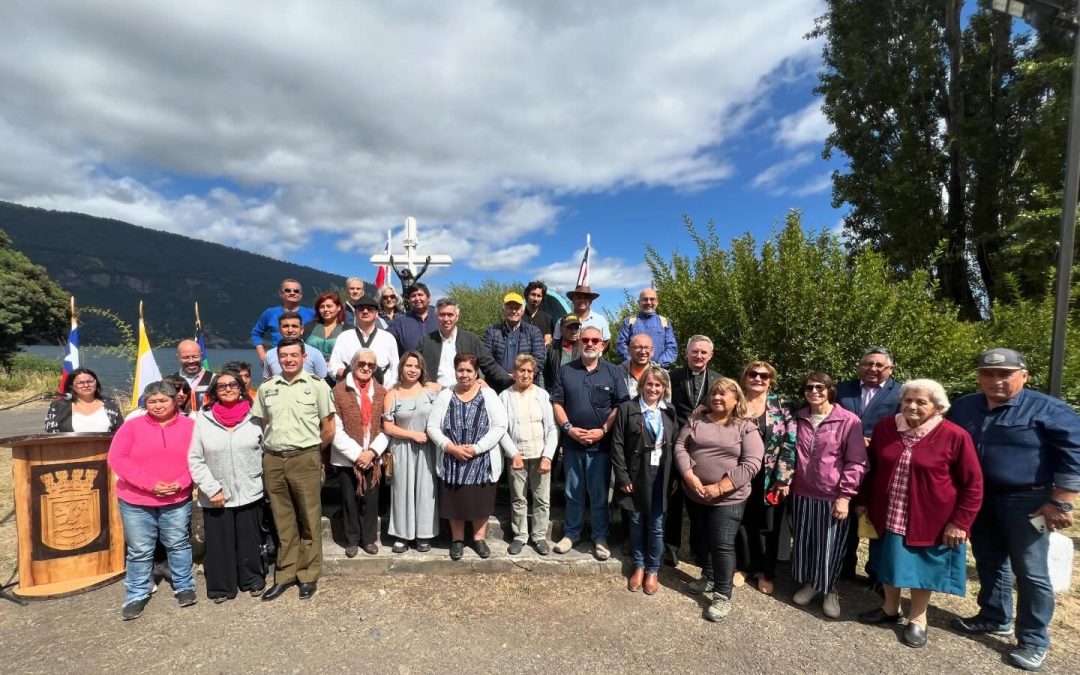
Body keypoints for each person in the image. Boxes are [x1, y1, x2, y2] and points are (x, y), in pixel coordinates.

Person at [947, 348, 1080, 671]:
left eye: (1004, 374)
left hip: (1028, 501)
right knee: (989, 560)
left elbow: (1073, 453)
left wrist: (1062, 500)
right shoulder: (965, 406)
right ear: (979, 376)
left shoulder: (1048, 409)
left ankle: (1034, 639)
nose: (996, 380)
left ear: (1024, 375)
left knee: (1031, 572)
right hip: (979, 498)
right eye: (988, 374)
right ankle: (994, 616)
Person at [855, 379, 983, 648]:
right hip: (888, 510)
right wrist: (863, 500)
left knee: (920, 567)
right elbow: (872, 468)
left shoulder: (954, 435)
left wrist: (960, 522)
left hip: (930, 516)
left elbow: (973, 484)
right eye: (908, 400)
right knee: (888, 559)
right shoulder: (886, 427)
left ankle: (918, 618)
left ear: (937, 407)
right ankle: (890, 609)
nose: (912, 406)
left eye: (920, 402)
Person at [251, 337, 335, 601]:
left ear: (304, 357)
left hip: (306, 458)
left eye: (293, 355)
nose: (288, 359)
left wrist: (310, 452)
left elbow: (329, 428)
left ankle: (308, 575)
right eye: (284, 355)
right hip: (274, 459)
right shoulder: (267, 388)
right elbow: (262, 423)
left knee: (309, 519)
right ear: (277, 358)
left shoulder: (318, 387)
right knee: (282, 519)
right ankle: (285, 575)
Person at [674, 378, 764, 621]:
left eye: (724, 394)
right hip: (696, 493)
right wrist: (689, 476)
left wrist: (721, 487)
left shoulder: (746, 426)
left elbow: (752, 462)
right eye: (714, 393)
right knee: (703, 537)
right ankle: (709, 576)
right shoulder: (697, 419)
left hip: (729, 497)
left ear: (736, 399)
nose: (717, 398)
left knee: (722, 543)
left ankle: (723, 595)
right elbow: (681, 446)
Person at [107, 381, 196, 621]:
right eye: (152, 401)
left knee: (178, 544)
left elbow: (198, 459)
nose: (158, 405)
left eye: (163, 400)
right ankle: (136, 594)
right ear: (145, 403)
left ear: (174, 401)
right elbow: (118, 458)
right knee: (139, 550)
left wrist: (182, 481)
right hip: (137, 500)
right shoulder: (132, 426)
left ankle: (184, 585)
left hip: (176, 497)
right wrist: (151, 484)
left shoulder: (190, 426)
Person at [789, 372, 867, 619]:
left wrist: (845, 496)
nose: (814, 392)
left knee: (831, 546)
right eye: (809, 387)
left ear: (830, 390)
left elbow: (856, 461)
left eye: (820, 387)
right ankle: (812, 584)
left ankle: (830, 589)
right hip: (801, 491)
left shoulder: (847, 420)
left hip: (832, 494)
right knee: (807, 542)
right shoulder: (799, 417)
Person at [187, 369, 267, 602]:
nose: (229, 389)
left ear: (242, 389)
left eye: (233, 385)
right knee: (219, 542)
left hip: (249, 490)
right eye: (222, 386)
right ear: (214, 392)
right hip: (216, 493)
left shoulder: (254, 417)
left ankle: (252, 579)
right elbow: (195, 458)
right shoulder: (203, 420)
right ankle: (222, 586)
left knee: (249, 539)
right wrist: (212, 488)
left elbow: (264, 451)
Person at [550, 326, 630, 560]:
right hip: (573, 444)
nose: (590, 344)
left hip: (601, 446)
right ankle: (571, 533)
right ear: (578, 343)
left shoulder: (613, 372)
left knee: (598, 494)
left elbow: (619, 406)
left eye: (596, 340)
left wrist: (603, 430)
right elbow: (557, 403)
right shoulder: (566, 371)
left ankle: (600, 537)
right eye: (586, 339)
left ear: (603, 345)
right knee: (573, 491)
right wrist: (569, 429)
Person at [427, 353, 509, 561]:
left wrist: (477, 448)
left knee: (480, 502)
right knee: (455, 501)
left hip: (481, 460)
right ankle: (457, 540)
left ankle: (479, 539)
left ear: (476, 373)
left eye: (469, 371)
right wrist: (450, 447)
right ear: (455, 371)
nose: (464, 375)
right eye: (460, 370)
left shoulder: (488, 395)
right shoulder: (445, 395)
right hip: (452, 459)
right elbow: (432, 427)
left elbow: (500, 426)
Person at [836, 346, 902, 581]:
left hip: (881, 467)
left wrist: (873, 442)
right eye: (868, 364)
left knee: (878, 517)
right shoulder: (842, 389)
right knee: (844, 515)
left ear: (890, 369)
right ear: (859, 366)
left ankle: (876, 574)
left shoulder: (901, 394)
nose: (872, 369)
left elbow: (906, 429)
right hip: (843, 464)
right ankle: (843, 568)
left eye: (879, 365)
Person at [611, 365, 678, 594]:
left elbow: (677, 445)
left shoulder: (669, 411)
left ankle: (653, 569)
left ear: (664, 388)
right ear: (642, 385)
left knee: (657, 526)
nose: (653, 388)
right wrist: (622, 476)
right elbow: (617, 445)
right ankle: (638, 566)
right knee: (637, 523)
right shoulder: (627, 409)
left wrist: (676, 476)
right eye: (649, 384)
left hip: (661, 476)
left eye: (658, 385)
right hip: (635, 475)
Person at [733, 361, 796, 595]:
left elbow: (790, 442)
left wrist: (784, 478)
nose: (758, 378)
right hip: (739, 473)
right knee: (740, 521)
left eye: (764, 375)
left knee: (769, 524)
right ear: (744, 377)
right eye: (753, 374)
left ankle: (766, 571)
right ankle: (743, 567)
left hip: (771, 476)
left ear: (771, 380)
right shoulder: (735, 401)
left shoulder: (782, 405)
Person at [665, 336, 722, 567]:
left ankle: (700, 552)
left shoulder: (719, 381)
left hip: (703, 447)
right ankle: (671, 549)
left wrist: (708, 407)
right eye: (694, 351)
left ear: (710, 356)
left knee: (700, 500)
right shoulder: (672, 377)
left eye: (703, 353)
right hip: (675, 443)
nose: (699, 356)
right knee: (672, 497)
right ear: (686, 353)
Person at [330, 349, 390, 557]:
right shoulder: (339, 391)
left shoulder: (382, 392)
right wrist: (358, 454)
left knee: (371, 500)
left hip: (373, 456)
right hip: (348, 458)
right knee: (349, 500)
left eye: (371, 365)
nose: (366, 368)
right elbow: (334, 429)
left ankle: (368, 538)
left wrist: (372, 452)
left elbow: (387, 427)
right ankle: (352, 539)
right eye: (362, 363)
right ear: (354, 364)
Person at [382, 351, 443, 553]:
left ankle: (424, 535)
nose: (412, 370)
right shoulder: (392, 393)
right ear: (401, 368)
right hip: (402, 448)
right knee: (402, 491)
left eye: (416, 366)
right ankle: (402, 534)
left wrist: (481, 383)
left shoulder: (431, 390)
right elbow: (388, 427)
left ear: (422, 369)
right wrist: (411, 435)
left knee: (426, 490)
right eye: (408, 365)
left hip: (426, 448)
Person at [498, 355, 558, 556]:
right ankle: (520, 536)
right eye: (521, 371)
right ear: (514, 373)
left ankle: (539, 536)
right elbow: (501, 429)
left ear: (534, 374)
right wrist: (512, 453)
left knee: (541, 499)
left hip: (540, 456)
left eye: (529, 371)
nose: (525, 375)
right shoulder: (505, 396)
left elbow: (551, 428)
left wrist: (547, 456)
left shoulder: (542, 395)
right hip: (517, 457)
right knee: (518, 498)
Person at [417, 298, 513, 389]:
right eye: (442, 314)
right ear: (437, 317)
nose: (446, 319)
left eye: (450, 315)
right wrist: (423, 385)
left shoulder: (470, 339)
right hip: (435, 396)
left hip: (466, 395)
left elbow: (489, 365)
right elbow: (414, 368)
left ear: (457, 317)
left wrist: (512, 381)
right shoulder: (426, 342)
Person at [329, 292, 399, 387]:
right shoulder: (344, 337)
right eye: (361, 309)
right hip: (350, 392)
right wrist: (348, 374)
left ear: (376, 314)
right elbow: (333, 367)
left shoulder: (388, 338)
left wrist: (388, 391)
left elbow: (395, 369)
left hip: (382, 393)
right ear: (355, 313)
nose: (365, 311)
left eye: (370, 309)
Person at [482, 292, 546, 391]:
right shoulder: (492, 331)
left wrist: (521, 377)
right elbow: (486, 360)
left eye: (517, 308)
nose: (513, 311)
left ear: (522, 311)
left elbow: (539, 359)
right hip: (496, 387)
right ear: (504, 310)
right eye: (510, 308)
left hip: (525, 387)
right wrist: (505, 378)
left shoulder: (534, 331)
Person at [250, 279, 316, 363]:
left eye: (296, 291)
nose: (292, 293)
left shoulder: (312, 314)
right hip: (276, 360)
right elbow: (256, 333)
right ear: (281, 293)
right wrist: (263, 357)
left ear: (301, 295)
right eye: (288, 290)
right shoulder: (270, 313)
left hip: (304, 360)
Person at [44, 367, 123, 433]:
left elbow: (121, 431)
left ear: (96, 383)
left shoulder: (110, 403)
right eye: (80, 382)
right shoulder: (58, 406)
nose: (86, 385)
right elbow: (50, 433)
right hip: (70, 451)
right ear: (72, 386)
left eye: (90, 381)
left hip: (106, 450)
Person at [615, 287, 677, 368]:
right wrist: (635, 362)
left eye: (652, 299)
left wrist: (658, 365)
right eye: (645, 299)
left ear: (657, 302)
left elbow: (672, 348)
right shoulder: (629, 322)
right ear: (639, 302)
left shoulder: (664, 322)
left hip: (659, 370)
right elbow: (621, 345)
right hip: (633, 371)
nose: (648, 302)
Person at [262, 311, 329, 381]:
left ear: (302, 330)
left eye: (294, 326)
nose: (290, 330)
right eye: (286, 326)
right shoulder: (270, 355)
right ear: (279, 330)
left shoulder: (315, 354)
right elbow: (267, 383)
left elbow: (323, 382)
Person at [388, 282, 438, 353]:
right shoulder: (400, 322)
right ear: (409, 300)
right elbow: (384, 338)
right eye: (413, 296)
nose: (417, 298)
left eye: (420, 295)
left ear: (429, 298)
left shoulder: (440, 317)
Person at [170, 339, 214, 412]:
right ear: (178, 357)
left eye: (195, 356)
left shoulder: (214, 379)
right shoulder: (169, 382)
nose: (191, 361)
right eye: (186, 357)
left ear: (201, 355)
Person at [542, 314, 581, 394]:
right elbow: (542, 374)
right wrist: (544, 394)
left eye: (576, 328)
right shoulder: (551, 348)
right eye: (570, 328)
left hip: (576, 396)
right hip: (554, 395)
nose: (574, 331)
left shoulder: (584, 349)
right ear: (561, 329)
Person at [303, 291, 346, 363]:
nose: (325, 310)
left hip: (337, 370)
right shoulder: (308, 327)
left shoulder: (348, 330)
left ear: (338, 308)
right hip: (310, 370)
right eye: (322, 307)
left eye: (329, 306)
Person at [617, 333, 656, 399]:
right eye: (638, 347)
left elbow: (667, 404)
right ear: (629, 350)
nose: (643, 352)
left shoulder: (662, 375)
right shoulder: (617, 373)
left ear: (652, 351)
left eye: (647, 347)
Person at [522, 280, 555, 346]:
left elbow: (547, 341)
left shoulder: (547, 318)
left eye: (539, 296)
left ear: (542, 298)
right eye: (533, 294)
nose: (536, 299)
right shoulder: (519, 315)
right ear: (527, 295)